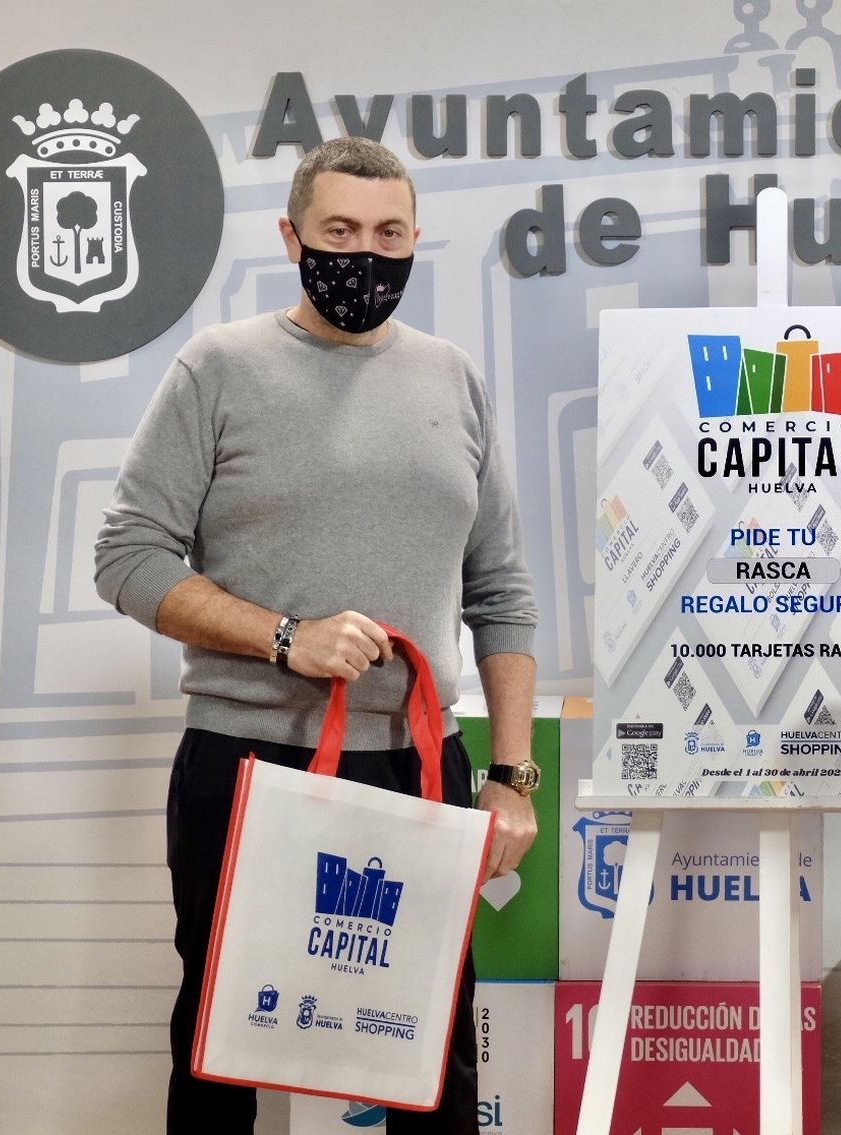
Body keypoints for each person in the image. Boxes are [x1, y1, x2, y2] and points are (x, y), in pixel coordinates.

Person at [93, 137, 540, 1134]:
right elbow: (127, 557)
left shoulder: (453, 378)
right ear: (291, 236)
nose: (364, 256)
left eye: (388, 235)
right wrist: (281, 636)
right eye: (339, 232)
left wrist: (513, 774)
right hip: (246, 762)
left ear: (417, 240)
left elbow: (500, 591)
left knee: (430, 1064)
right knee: (221, 1057)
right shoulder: (219, 369)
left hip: (417, 768)